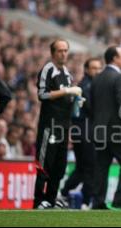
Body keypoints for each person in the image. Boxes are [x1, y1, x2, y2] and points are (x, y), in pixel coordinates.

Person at [33, 39, 83, 209]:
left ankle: (51, 199)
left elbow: (65, 97)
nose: (63, 53)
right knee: (45, 164)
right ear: (53, 53)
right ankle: (39, 200)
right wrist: (67, 90)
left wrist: (76, 99)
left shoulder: (66, 72)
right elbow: (42, 95)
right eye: (60, 50)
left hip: (64, 125)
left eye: (65, 50)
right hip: (50, 125)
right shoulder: (48, 69)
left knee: (60, 166)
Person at [91, 46, 121, 210]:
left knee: (101, 166)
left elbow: (90, 105)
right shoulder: (119, 78)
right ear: (114, 58)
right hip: (119, 132)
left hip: (100, 131)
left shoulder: (96, 79)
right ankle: (120, 199)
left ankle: (98, 201)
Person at [60, 57, 103, 210]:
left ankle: (64, 192)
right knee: (90, 166)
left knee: (82, 167)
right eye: (94, 68)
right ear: (86, 69)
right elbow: (93, 109)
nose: (97, 71)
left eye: (99, 68)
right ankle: (85, 201)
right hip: (85, 131)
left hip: (81, 130)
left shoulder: (88, 85)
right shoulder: (87, 86)